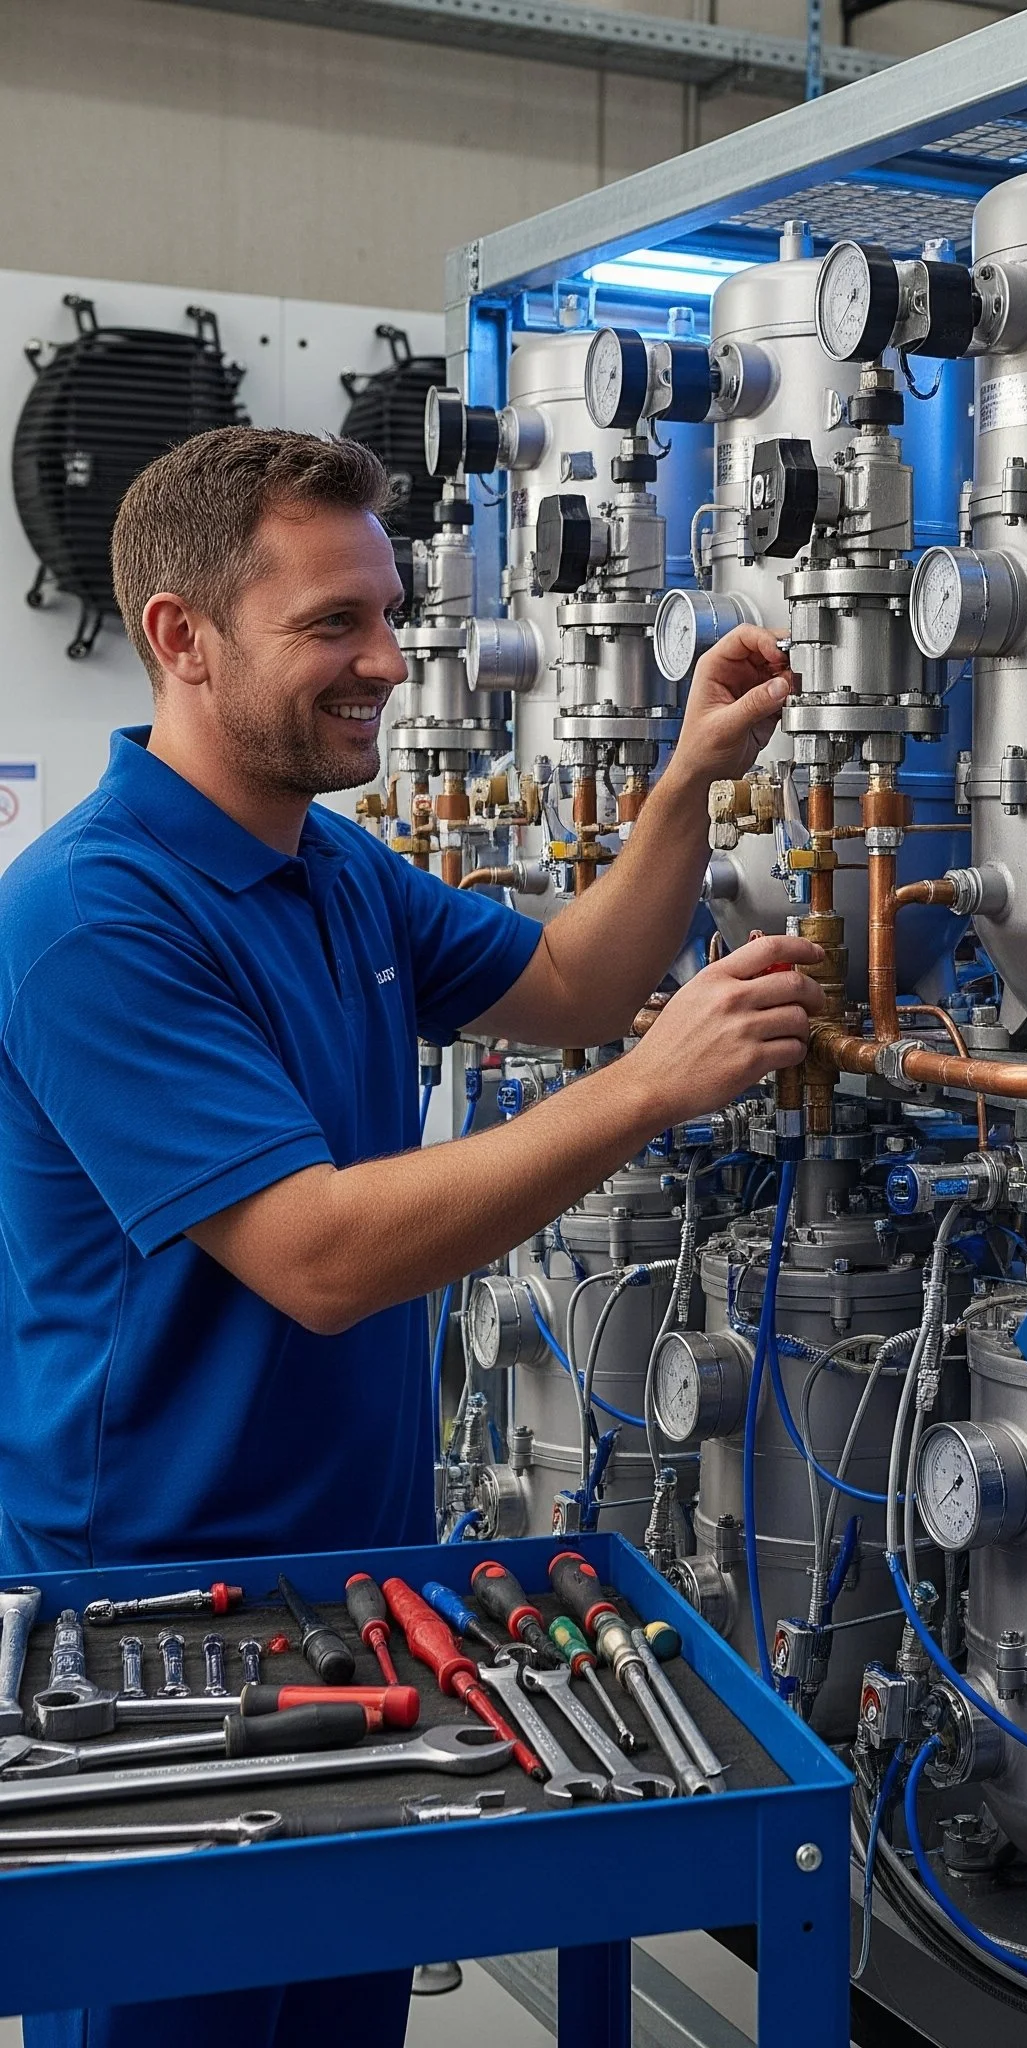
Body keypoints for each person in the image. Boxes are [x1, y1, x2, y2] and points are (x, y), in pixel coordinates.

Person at [0, 427, 823, 2047]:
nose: (388, 659)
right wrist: (655, 1090)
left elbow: (575, 985)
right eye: (332, 625)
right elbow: (316, 1258)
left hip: (364, 1578)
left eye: (387, 615)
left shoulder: (330, 868)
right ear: (180, 637)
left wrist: (683, 781)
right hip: (157, 1618)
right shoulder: (93, 918)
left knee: (339, 2011)